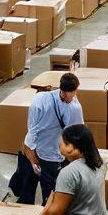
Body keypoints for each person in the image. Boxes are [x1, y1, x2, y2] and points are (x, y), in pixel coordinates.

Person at [13, 73, 83, 205]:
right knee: (48, 190)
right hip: (47, 154)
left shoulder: (73, 105)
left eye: (75, 92)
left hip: (56, 153)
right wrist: (32, 158)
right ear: (63, 91)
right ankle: (45, 207)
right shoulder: (41, 102)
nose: (74, 95)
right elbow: (32, 132)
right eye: (72, 93)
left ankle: (45, 206)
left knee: (52, 187)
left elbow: (78, 132)